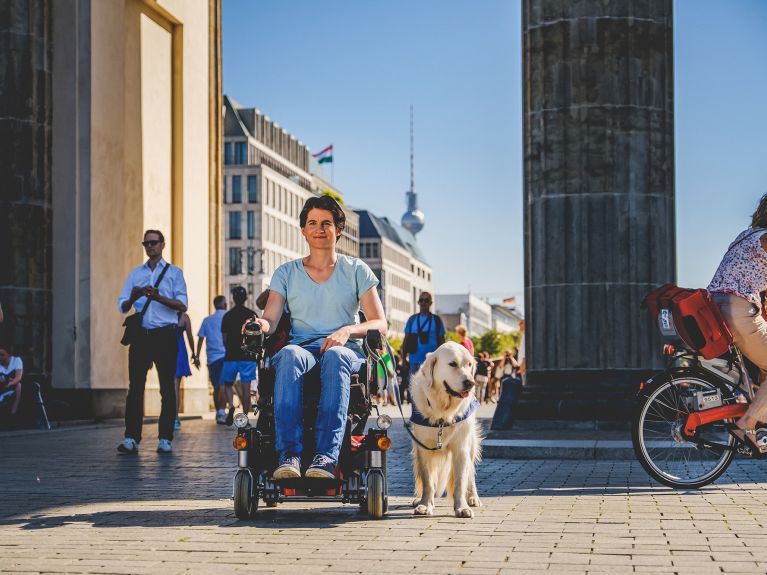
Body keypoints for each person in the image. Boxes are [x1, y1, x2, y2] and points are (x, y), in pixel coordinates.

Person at [254, 195, 387, 480]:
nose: (319, 228)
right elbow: (271, 319)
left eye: (326, 223)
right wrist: (257, 324)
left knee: (336, 356)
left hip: (345, 350)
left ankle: (326, 457)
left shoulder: (356, 270)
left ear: (338, 229)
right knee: (288, 355)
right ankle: (288, 455)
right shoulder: (286, 273)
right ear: (303, 230)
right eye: (312, 223)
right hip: (302, 349)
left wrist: (347, 330)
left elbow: (380, 322)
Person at [117, 229, 188, 454]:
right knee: (135, 388)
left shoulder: (174, 273)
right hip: (142, 335)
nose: (150, 246)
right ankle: (131, 438)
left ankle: (165, 438)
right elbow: (123, 306)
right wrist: (135, 296)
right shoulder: (135, 274)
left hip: (165, 334)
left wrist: (157, 297)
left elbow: (182, 305)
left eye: (154, 242)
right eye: (146, 243)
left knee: (167, 387)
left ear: (162, 244)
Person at [709, 194, 767, 450]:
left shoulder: (746, 236)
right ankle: (747, 423)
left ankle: (751, 418)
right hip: (739, 311)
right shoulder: (765, 239)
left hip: (715, 307)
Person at [221, 286, 258, 426]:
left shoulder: (227, 316)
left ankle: (231, 405)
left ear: (233, 298)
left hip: (230, 355)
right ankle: (244, 417)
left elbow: (224, 338)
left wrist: (229, 349)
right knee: (246, 387)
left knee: (228, 384)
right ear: (246, 298)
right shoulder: (252, 315)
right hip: (247, 357)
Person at [196, 295, 228, 424]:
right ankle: (221, 412)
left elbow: (200, 338)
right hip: (226, 356)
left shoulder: (207, 320)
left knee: (216, 386)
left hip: (212, 358)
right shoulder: (227, 317)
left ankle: (218, 412)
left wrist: (197, 355)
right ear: (225, 305)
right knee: (224, 386)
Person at [401, 291, 445, 381]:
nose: (423, 302)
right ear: (418, 302)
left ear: (431, 303)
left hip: (431, 361)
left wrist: (442, 359)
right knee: (414, 389)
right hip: (414, 360)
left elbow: (442, 341)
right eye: (421, 300)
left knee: (430, 389)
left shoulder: (436, 320)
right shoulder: (412, 319)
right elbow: (406, 339)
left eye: (426, 300)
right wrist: (404, 358)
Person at [173, 312, 198, 430]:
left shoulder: (164, 313)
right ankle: (175, 417)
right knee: (175, 386)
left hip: (166, 349)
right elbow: (190, 336)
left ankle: (172, 416)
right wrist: (194, 354)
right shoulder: (184, 317)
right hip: (179, 349)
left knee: (168, 386)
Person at [0, 345, 22, 418]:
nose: (0, 357)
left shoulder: (16, 360)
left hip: (12, 384)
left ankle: (13, 413)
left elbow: (18, 377)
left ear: (9, 355)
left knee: (18, 385)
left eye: (2, 355)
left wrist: (10, 383)